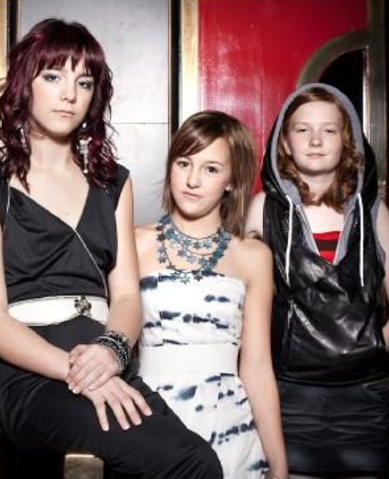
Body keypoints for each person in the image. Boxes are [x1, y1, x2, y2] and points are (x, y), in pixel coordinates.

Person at [0, 18, 222, 479]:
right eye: (53, 76)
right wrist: (75, 371)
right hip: (33, 374)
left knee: (200, 461)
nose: (69, 94)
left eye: (83, 82)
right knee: (190, 463)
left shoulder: (113, 183)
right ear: (24, 84)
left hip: (105, 357)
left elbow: (126, 297)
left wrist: (112, 351)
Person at [245, 83, 389, 479]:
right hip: (290, 394)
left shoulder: (372, 212)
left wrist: (371, 347)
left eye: (329, 129)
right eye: (303, 129)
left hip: (364, 398)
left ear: (347, 141)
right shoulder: (264, 209)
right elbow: (245, 305)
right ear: (284, 143)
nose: (316, 140)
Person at [136, 111, 288, 479]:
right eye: (184, 163)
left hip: (231, 430)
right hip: (150, 422)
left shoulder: (253, 257)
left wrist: (279, 462)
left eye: (211, 169)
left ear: (232, 180)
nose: (192, 180)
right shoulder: (134, 243)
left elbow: (257, 366)